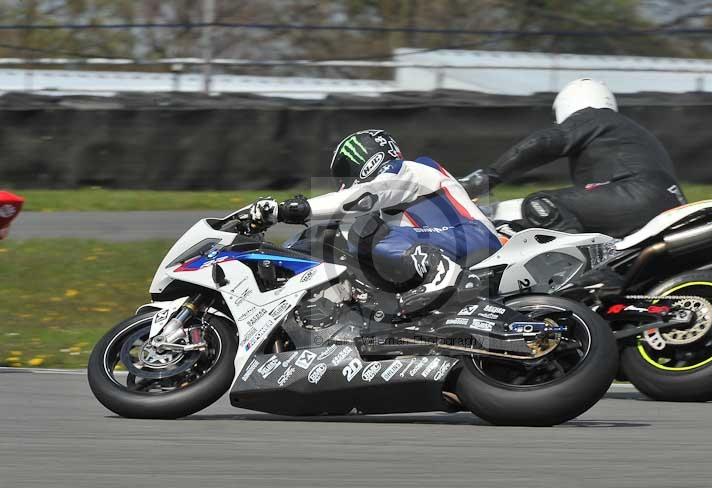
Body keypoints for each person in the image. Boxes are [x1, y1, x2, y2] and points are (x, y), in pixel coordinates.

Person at [249, 129, 502, 315]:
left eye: (346, 171)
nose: (344, 183)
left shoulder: (408, 169)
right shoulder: (395, 194)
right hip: (451, 243)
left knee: (365, 233)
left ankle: (440, 273)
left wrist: (292, 209)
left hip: (471, 236)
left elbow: (358, 198)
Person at [460, 78, 687, 238]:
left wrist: (487, 178)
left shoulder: (592, 116)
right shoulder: (632, 130)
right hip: (671, 202)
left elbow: (544, 142)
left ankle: (589, 273)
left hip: (637, 195)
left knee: (542, 204)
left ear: (568, 104)